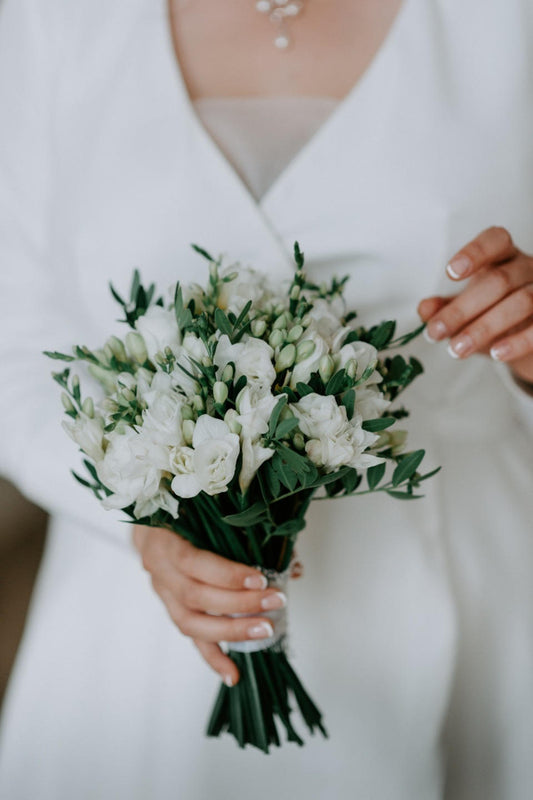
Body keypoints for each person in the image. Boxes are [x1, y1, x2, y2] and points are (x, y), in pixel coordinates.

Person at [0, 0, 532, 798]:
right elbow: (16, 345)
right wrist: (141, 524)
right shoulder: (53, 19)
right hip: (138, 631)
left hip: (466, 586)